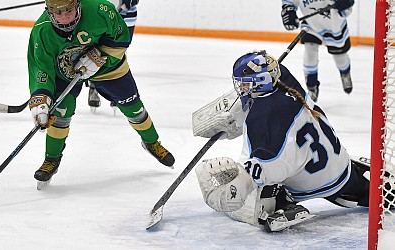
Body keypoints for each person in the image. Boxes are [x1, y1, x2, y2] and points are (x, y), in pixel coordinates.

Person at [193, 50, 376, 232]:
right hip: (338, 163)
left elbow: (268, 165)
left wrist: (239, 184)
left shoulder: (264, 118)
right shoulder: (284, 81)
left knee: (253, 196)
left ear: (261, 83)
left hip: (314, 183)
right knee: (365, 191)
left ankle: (282, 203)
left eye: (245, 84)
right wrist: (237, 112)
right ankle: (368, 184)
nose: (241, 88)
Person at [27, 0, 175, 185]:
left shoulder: (100, 10)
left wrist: (101, 56)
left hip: (106, 67)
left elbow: (120, 38)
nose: (64, 17)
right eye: (58, 13)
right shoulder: (41, 31)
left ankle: (152, 142)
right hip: (64, 73)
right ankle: (51, 159)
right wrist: (41, 97)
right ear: (48, 12)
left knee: (132, 105)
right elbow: (41, 69)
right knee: (60, 110)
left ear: (78, 5)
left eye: (69, 11)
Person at [280, 0, 355, 102]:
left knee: (340, 57)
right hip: (311, 23)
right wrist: (289, 11)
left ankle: (345, 73)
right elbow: (289, 2)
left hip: (334, 24)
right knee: (310, 53)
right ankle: (311, 87)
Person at [88, 0, 139, 111]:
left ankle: (117, 88)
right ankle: (94, 86)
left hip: (126, 15)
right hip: (100, 11)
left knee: (118, 51)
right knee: (96, 49)